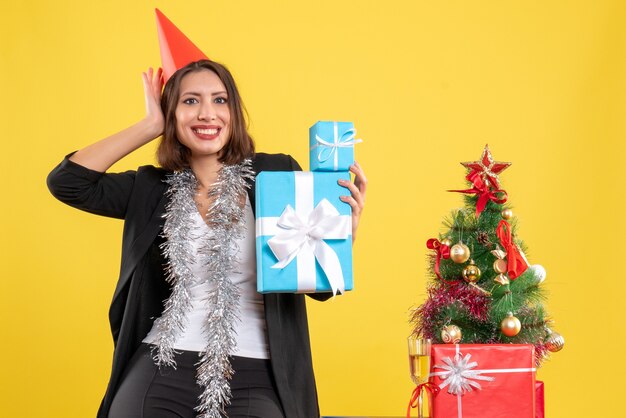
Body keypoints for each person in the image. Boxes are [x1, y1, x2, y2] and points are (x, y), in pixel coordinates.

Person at [47, 59, 367, 418]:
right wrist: (150, 124)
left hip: (256, 372)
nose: (206, 113)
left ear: (234, 111)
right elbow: (68, 182)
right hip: (160, 364)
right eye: (189, 101)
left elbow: (319, 286)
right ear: (172, 114)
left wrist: (342, 236)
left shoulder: (275, 174)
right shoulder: (151, 188)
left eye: (219, 100)